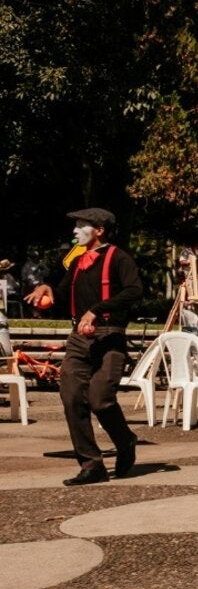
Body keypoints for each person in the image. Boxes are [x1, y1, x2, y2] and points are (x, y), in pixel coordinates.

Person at [23, 207, 142, 485]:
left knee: (101, 399)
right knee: (72, 396)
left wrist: (98, 310)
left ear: (99, 230)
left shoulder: (119, 258)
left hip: (109, 337)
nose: (75, 231)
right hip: (79, 339)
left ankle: (125, 442)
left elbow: (134, 291)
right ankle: (92, 464)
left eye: (81, 225)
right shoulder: (78, 261)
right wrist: (47, 289)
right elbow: (63, 293)